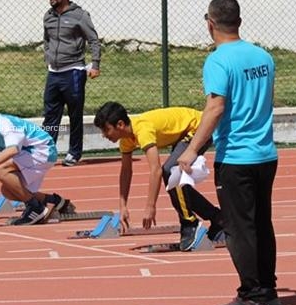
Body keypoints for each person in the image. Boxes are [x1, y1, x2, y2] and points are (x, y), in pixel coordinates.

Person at [177, 0, 281, 305]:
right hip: (265, 154)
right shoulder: (263, 56)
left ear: (210, 24)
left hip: (236, 156)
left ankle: (252, 293)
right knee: (262, 223)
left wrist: (192, 149)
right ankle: (267, 288)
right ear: (239, 21)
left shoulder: (218, 61)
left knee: (238, 227)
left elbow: (216, 107)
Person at [94, 101, 224, 251]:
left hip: (198, 127)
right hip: (183, 133)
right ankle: (218, 218)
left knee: (170, 171)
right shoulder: (126, 139)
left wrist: (150, 206)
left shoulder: (142, 130)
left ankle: (190, 223)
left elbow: (156, 170)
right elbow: (126, 172)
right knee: (175, 181)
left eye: (106, 130)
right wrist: (122, 206)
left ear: (120, 124)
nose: (104, 135)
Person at [0, 99, 70, 225]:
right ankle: (54, 201)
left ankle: (36, 208)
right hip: (27, 154)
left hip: (42, 151)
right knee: (8, 190)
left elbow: (12, 150)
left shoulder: (6, 124)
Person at [42, 0, 101, 167]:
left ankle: (74, 153)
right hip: (53, 73)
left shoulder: (80, 16)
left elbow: (93, 40)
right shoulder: (48, 16)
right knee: (50, 116)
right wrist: (48, 58)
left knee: (75, 115)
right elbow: (47, 40)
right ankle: (47, 152)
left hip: (73, 71)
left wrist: (95, 64)